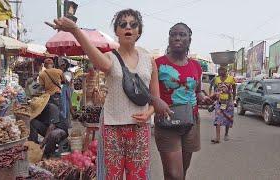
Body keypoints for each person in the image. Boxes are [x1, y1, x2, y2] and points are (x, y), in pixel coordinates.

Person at [50, 9, 170, 179]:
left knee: (138, 175)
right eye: (123, 24)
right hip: (112, 126)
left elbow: (155, 98)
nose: (128, 27)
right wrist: (75, 30)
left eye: (133, 24)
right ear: (116, 31)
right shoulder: (109, 58)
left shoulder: (148, 59)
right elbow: (100, 62)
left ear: (139, 31)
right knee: (111, 176)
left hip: (140, 128)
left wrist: (148, 113)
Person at [155, 23, 213, 180]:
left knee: (181, 171)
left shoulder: (196, 65)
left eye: (182, 34)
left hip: (191, 121)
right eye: (173, 34)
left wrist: (204, 98)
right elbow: (150, 93)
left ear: (189, 39)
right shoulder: (158, 64)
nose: (177, 38)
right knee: (175, 174)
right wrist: (156, 102)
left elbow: (197, 90)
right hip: (167, 122)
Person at [28, 94, 68, 159]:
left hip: (60, 129)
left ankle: (48, 153)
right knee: (33, 122)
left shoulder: (52, 108)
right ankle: (33, 145)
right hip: (47, 128)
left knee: (53, 134)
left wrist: (43, 143)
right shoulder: (38, 113)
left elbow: (52, 127)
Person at [212, 66, 236, 143]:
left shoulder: (231, 79)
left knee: (228, 119)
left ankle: (226, 133)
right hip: (219, 102)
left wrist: (234, 99)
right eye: (219, 70)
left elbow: (234, 89)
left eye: (221, 70)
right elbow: (215, 89)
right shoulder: (216, 79)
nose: (219, 71)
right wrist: (214, 97)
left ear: (226, 71)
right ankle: (217, 138)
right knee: (217, 119)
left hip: (228, 102)